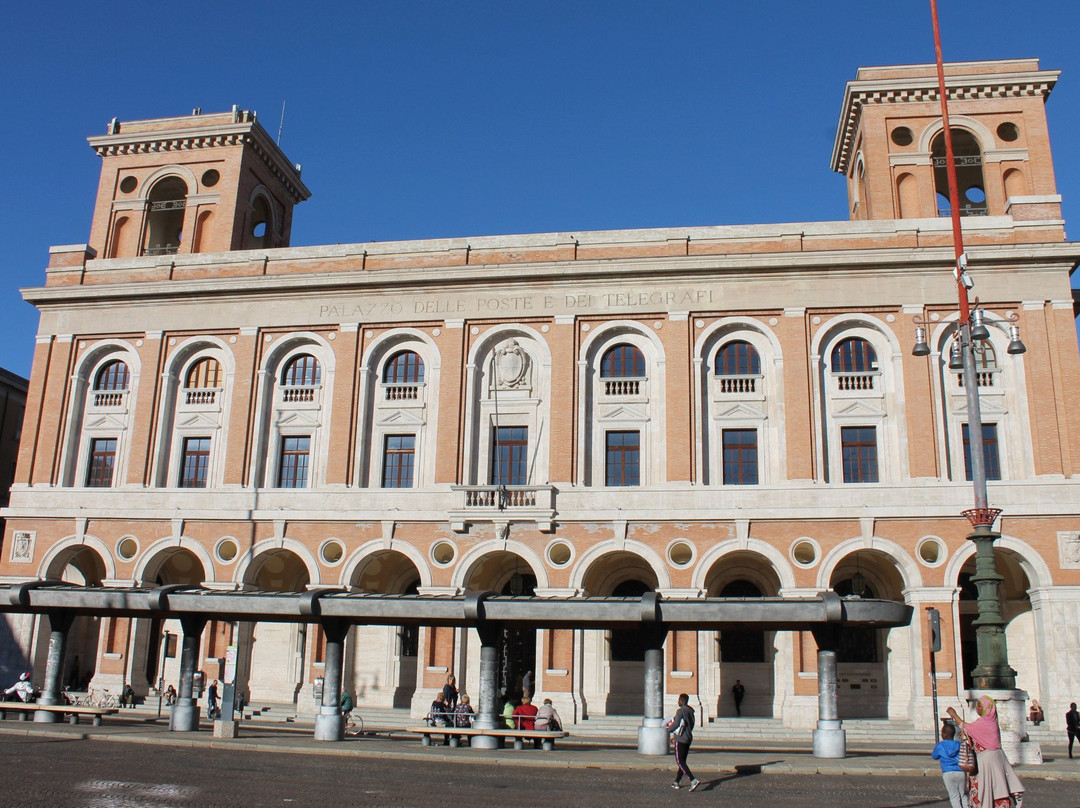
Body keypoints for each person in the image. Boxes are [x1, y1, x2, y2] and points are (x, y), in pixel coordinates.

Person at [946, 697, 1024, 808]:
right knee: (998, 788)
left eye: (979, 706)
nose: (977, 708)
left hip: (986, 761)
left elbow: (966, 727)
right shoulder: (991, 722)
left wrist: (954, 715)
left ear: (986, 708)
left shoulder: (984, 722)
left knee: (985, 789)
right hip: (995, 759)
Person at [668, 693, 700, 792]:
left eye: (679, 700)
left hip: (681, 739)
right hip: (688, 737)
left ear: (681, 700)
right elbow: (691, 725)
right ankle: (676, 781)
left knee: (679, 761)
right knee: (683, 761)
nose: (678, 701)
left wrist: (668, 730)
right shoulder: (691, 712)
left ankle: (692, 779)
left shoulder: (680, 711)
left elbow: (676, 724)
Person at [932, 722, 968, 808]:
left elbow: (934, 756)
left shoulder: (940, 745)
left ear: (944, 735)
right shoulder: (958, 744)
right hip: (960, 771)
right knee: (962, 795)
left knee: (954, 796)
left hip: (947, 772)